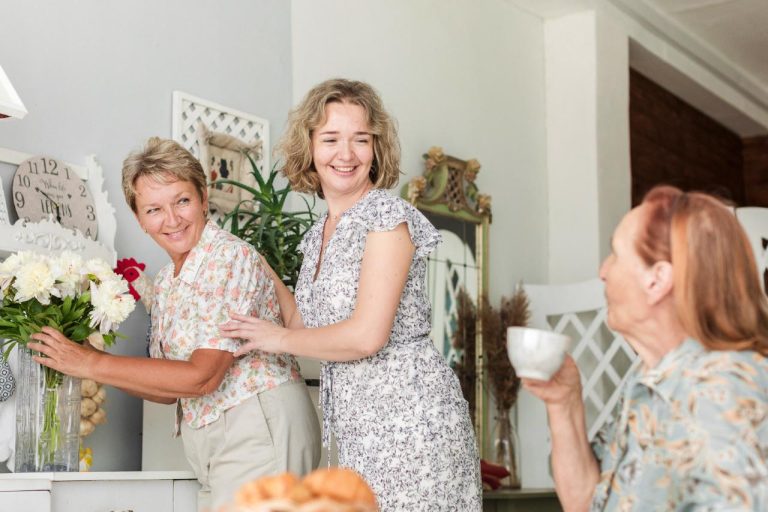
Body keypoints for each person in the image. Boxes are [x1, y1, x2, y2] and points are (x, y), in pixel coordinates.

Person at [220, 78, 482, 511]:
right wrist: (259, 266)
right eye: (331, 139)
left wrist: (275, 338)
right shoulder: (316, 235)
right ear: (310, 147)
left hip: (412, 424)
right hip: (363, 431)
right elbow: (308, 329)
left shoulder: (387, 217)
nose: (346, 154)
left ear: (376, 149)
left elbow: (365, 336)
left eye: (361, 139)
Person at [28, 137, 321, 511]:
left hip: (257, 422)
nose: (172, 220)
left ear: (202, 197)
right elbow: (169, 391)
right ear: (139, 217)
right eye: (154, 209)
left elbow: (202, 377)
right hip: (216, 439)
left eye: (182, 201)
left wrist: (90, 364)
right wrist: (90, 362)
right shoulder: (167, 281)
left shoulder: (227, 258)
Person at [524, 185, 768, 511]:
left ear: (657, 280)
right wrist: (563, 403)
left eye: (616, 254)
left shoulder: (723, 392)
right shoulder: (646, 379)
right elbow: (585, 502)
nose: (603, 271)